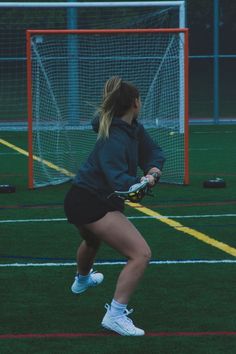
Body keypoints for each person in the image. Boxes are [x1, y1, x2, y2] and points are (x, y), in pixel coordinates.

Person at [64, 76, 165, 336]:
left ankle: (82, 280)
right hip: (90, 202)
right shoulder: (113, 137)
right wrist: (139, 184)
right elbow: (119, 181)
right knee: (140, 254)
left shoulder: (133, 129)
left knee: (92, 241)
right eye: (139, 99)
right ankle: (115, 315)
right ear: (135, 103)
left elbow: (153, 152)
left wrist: (152, 170)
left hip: (81, 200)